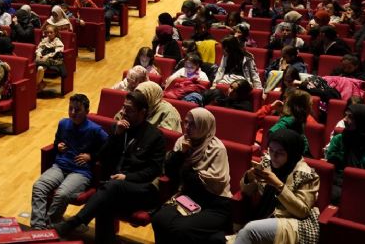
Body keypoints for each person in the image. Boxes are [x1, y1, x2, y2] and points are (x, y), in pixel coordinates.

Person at [55, 91, 165, 244]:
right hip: (113, 187)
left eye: (130, 110)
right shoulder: (120, 129)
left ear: (143, 112)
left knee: (108, 190)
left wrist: (127, 177)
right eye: (123, 108)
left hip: (141, 190)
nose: (124, 113)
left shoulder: (155, 136)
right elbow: (101, 156)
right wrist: (116, 135)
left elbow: (153, 170)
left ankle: (74, 222)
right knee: (106, 197)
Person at [152, 108, 233, 244]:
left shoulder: (217, 148)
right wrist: (181, 154)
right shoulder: (182, 142)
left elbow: (214, 183)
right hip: (188, 196)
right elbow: (170, 172)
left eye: (193, 124)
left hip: (214, 202)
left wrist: (186, 170)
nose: (187, 128)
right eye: (185, 123)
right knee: (159, 219)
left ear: (204, 126)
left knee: (180, 229)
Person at [30, 94, 109, 230]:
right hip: (60, 166)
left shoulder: (95, 130)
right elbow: (56, 142)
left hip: (81, 172)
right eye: (70, 109)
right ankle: (37, 227)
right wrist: (58, 146)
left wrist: (92, 157)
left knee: (62, 194)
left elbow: (110, 147)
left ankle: (51, 225)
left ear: (87, 111)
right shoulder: (63, 123)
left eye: (77, 110)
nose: (73, 113)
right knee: (39, 187)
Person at [234, 129, 321, 244]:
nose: (273, 156)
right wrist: (248, 178)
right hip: (264, 215)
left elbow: (302, 211)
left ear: (292, 153)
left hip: (290, 221)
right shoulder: (267, 162)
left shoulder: (306, 175)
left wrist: (278, 185)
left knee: (249, 230)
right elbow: (246, 192)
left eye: (280, 152)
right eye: (271, 150)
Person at [35, 24, 65, 91]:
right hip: (42, 59)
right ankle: (39, 84)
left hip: (52, 60)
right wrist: (39, 54)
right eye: (47, 32)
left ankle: (35, 86)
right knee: (34, 67)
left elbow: (56, 53)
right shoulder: (45, 40)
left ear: (55, 33)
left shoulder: (58, 41)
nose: (49, 34)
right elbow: (39, 48)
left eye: (51, 32)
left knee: (40, 68)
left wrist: (47, 56)